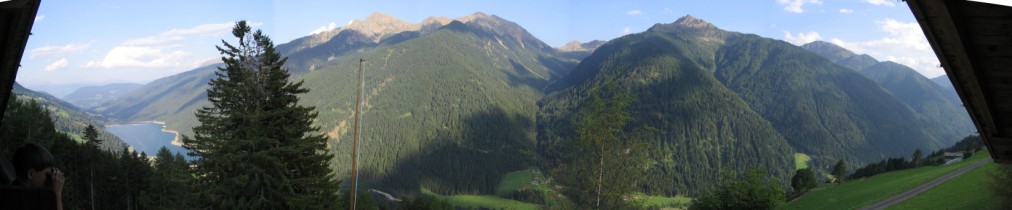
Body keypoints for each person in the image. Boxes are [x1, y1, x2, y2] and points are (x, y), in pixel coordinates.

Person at [11, 143, 64, 210]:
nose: (50, 178)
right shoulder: (26, 201)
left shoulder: (12, 191)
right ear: (31, 173)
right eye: (47, 174)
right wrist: (57, 194)